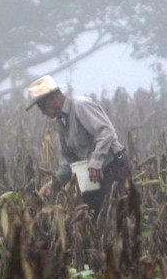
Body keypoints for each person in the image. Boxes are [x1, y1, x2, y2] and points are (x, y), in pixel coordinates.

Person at [26, 75, 131, 212]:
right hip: (92, 178)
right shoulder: (61, 122)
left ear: (53, 97)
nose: (43, 113)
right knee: (80, 215)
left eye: (42, 107)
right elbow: (67, 164)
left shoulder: (81, 106)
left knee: (113, 217)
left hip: (113, 170)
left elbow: (106, 132)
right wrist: (51, 186)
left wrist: (96, 161)